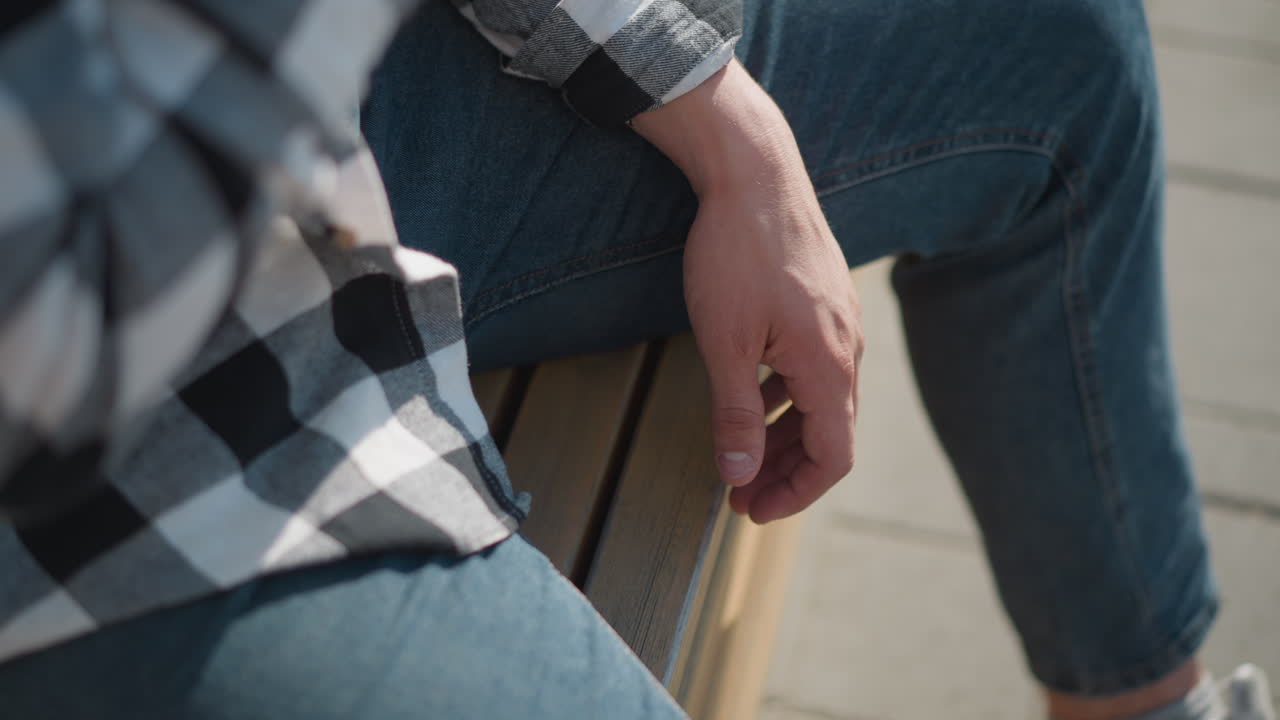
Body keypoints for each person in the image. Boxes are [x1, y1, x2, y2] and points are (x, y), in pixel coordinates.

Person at [0, 1, 1271, 719]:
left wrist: (720, 119)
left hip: (310, 142)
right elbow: (67, 340)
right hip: (104, 447)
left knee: (1046, 52)